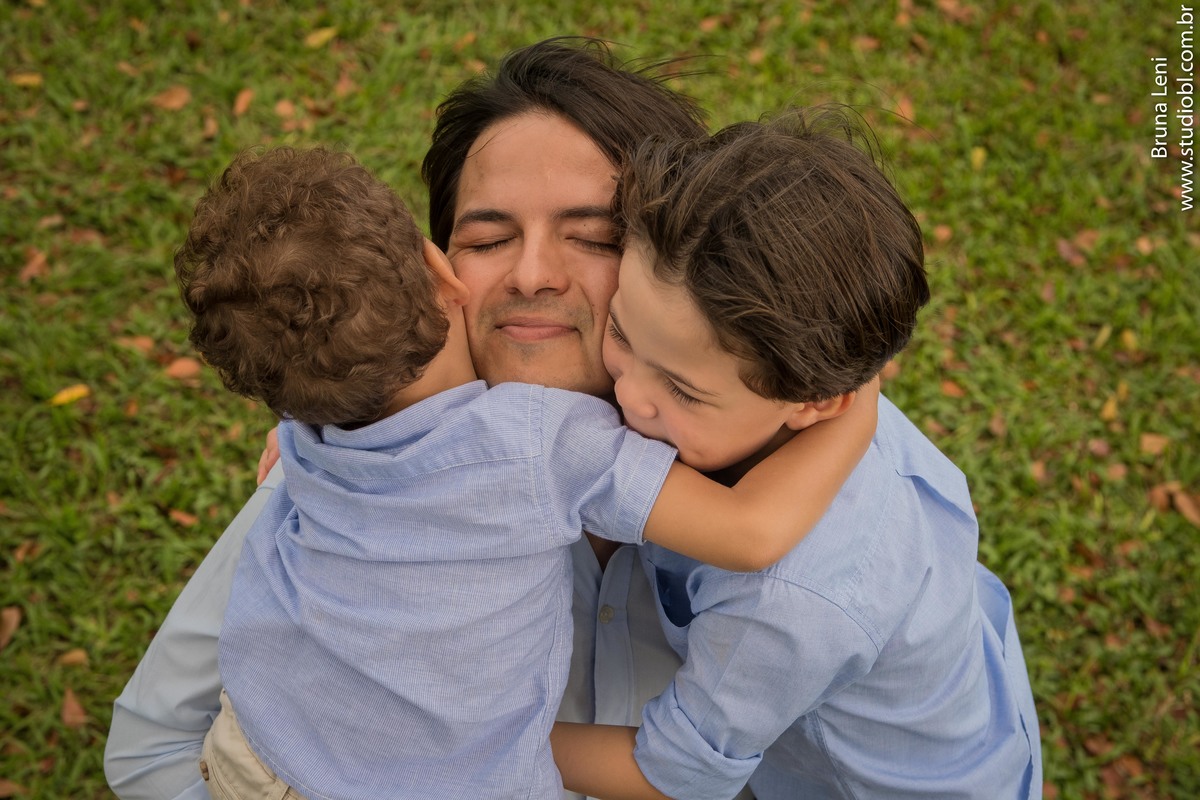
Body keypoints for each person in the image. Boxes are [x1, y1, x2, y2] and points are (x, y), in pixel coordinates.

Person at [101, 38, 846, 800]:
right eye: (488, 239)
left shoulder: (800, 465)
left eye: (593, 237)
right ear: (440, 268)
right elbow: (151, 747)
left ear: (687, 261)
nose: (530, 275)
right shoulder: (317, 469)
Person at [549, 110, 1043, 799]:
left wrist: (483, 736)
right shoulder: (822, 385)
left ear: (815, 400)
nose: (630, 397)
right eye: (624, 334)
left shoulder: (786, 601)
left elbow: (673, 773)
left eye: (684, 391)